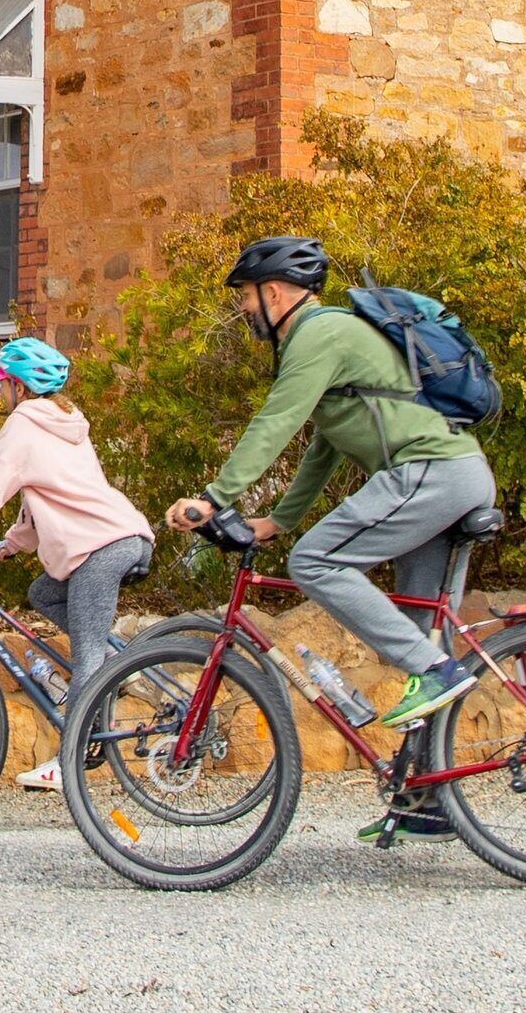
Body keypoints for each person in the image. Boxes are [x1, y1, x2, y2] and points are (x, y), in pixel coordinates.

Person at [165, 234, 497, 758]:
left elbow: (276, 421)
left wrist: (212, 496)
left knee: (316, 562)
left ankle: (435, 670)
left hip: (429, 472)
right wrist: (279, 519)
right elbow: (326, 443)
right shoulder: (328, 337)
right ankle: (426, 797)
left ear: (274, 293)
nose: (244, 309)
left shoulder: (320, 334)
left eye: (246, 296)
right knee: (420, 633)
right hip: (450, 475)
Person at [0, 334, 154, 792]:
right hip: (126, 537)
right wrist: (11, 545)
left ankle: (69, 764)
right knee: (42, 593)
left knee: (84, 655)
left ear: (20, 389)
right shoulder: (67, 423)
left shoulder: (24, 424)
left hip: (100, 549)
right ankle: (122, 661)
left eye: (2, 383)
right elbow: (49, 493)